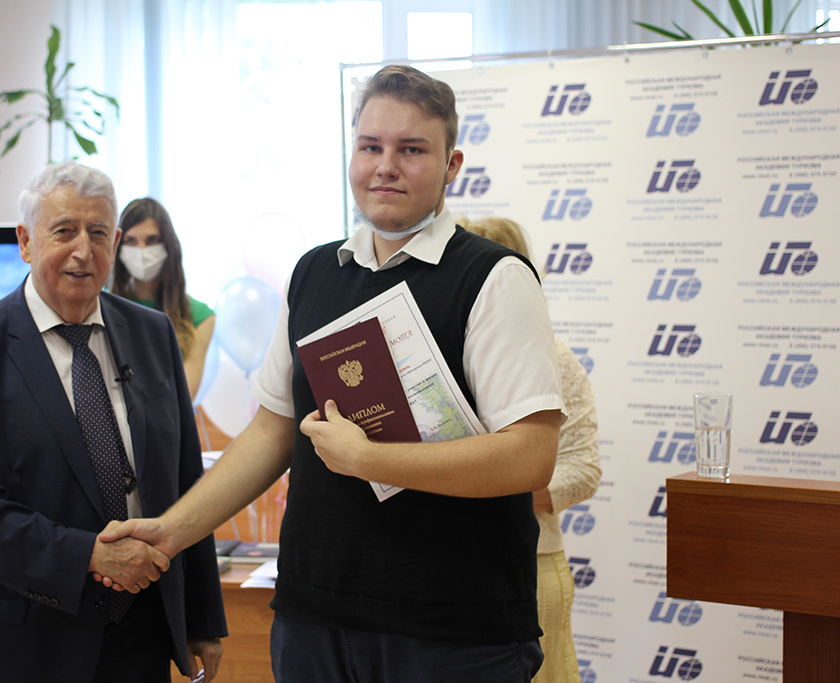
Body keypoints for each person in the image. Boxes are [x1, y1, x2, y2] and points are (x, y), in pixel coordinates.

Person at [101, 65, 565, 682]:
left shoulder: (494, 278)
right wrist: (170, 533)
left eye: (411, 150)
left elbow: (529, 456)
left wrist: (369, 459)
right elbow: (271, 432)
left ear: (452, 165)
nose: (385, 167)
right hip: (314, 619)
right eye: (370, 147)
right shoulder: (314, 274)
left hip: (453, 631)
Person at [0, 161, 227, 683]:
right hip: (18, 642)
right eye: (64, 231)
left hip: (139, 633)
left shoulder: (153, 335)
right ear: (25, 241)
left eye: (98, 233)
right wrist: (88, 557)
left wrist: (201, 619)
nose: (83, 250)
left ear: (115, 243)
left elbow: (185, 480)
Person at [461, 216, 601, 683]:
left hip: (530, 567)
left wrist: (485, 484)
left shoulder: (553, 357)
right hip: (442, 574)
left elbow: (582, 471)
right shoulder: (433, 360)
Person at [110, 198, 215, 401]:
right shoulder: (100, 305)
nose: (141, 250)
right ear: (118, 246)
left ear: (169, 244)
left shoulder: (200, 316)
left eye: (152, 240)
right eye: (130, 241)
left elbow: (184, 398)